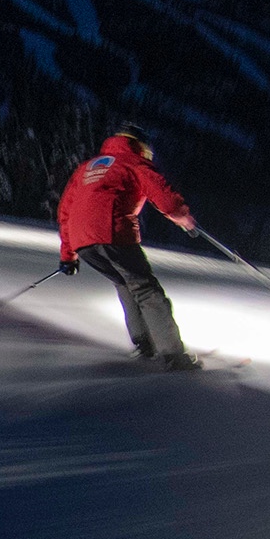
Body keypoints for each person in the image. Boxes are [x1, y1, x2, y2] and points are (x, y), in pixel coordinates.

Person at [57, 125, 201, 370]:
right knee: (145, 289)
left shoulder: (86, 168)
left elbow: (65, 211)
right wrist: (184, 218)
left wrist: (68, 255)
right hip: (113, 233)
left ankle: (144, 345)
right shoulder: (133, 163)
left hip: (83, 242)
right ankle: (173, 356)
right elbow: (166, 200)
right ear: (141, 146)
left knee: (125, 283)